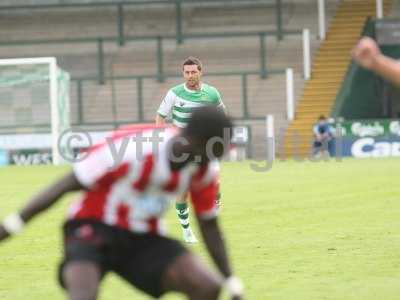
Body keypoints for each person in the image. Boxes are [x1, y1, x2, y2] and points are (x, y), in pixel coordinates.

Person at [0, 107, 244, 300]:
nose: (220, 156)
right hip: (93, 227)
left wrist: (231, 281)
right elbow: (65, 184)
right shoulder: (134, 150)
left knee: (207, 287)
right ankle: (75, 266)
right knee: (83, 296)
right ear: (198, 140)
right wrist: (11, 226)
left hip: (143, 237)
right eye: (218, 148)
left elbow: (209, 225)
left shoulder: (204, 171)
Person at [155, 56, 225, 243]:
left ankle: (215, 211)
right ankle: (186, 230)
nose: (190, 76)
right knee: (183, 190)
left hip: (206, 145)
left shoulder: (212, 94)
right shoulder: (174, 93)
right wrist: (163, 138)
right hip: (183, 148)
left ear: (200, 72)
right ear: (183, 74)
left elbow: (221, 116)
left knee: (215, 182)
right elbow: (160, 117)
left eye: (193, 72)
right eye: (187, 72)